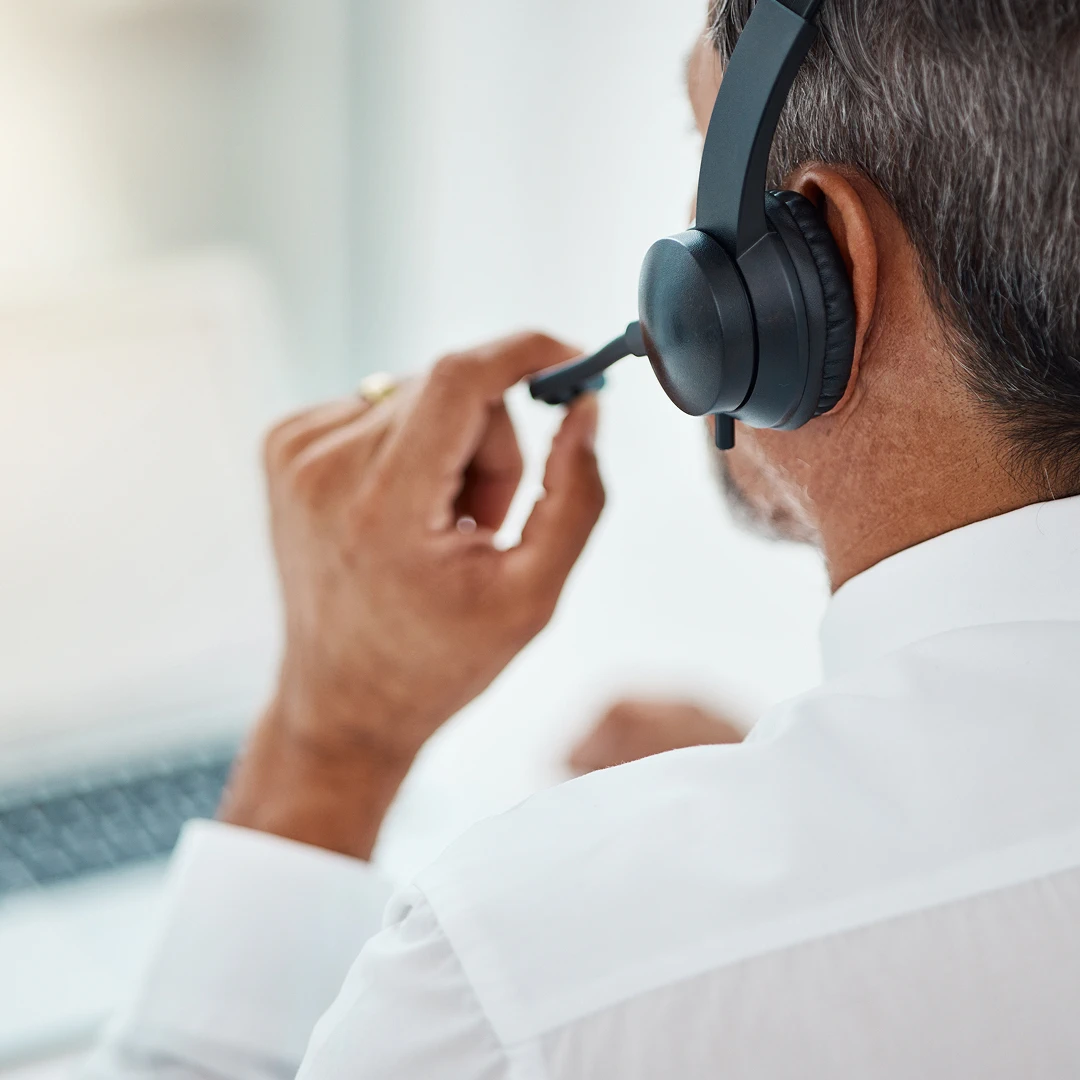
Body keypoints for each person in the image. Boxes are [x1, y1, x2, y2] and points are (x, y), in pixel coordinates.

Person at [87, 1, 1080, 1076]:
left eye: (704, 160)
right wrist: (823, 808)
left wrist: (329, 751)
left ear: (818, 266)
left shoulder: (525, 989)